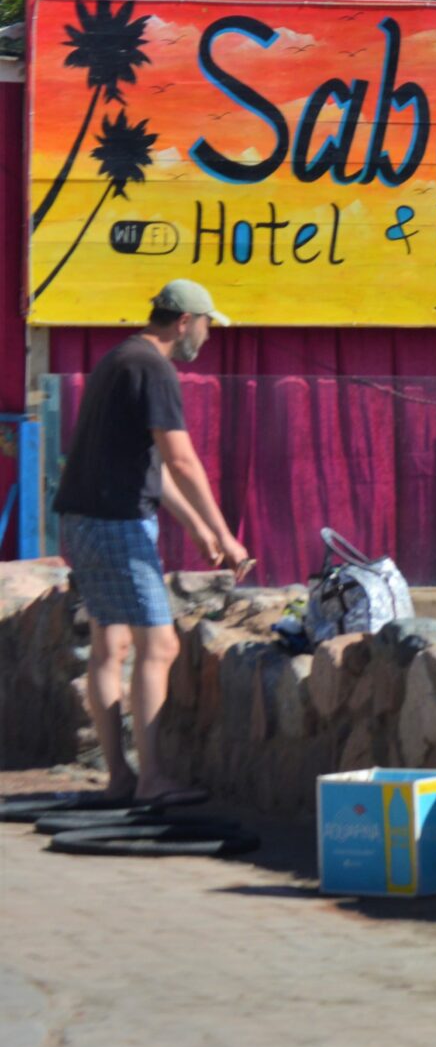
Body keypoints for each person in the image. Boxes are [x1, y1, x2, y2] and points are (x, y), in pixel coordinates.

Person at [54, 281, 249, 809]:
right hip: (116, 522)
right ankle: (153, 778)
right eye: (207, 325)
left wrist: (198, 529)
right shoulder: (154, 369)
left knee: (108, 646)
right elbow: (181, 461)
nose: (208, 337)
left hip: (84, 518)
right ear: (184, 321)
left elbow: (149, 467)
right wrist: (228, 536)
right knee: (158, 646)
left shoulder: (119, 358)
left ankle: (120, 776)